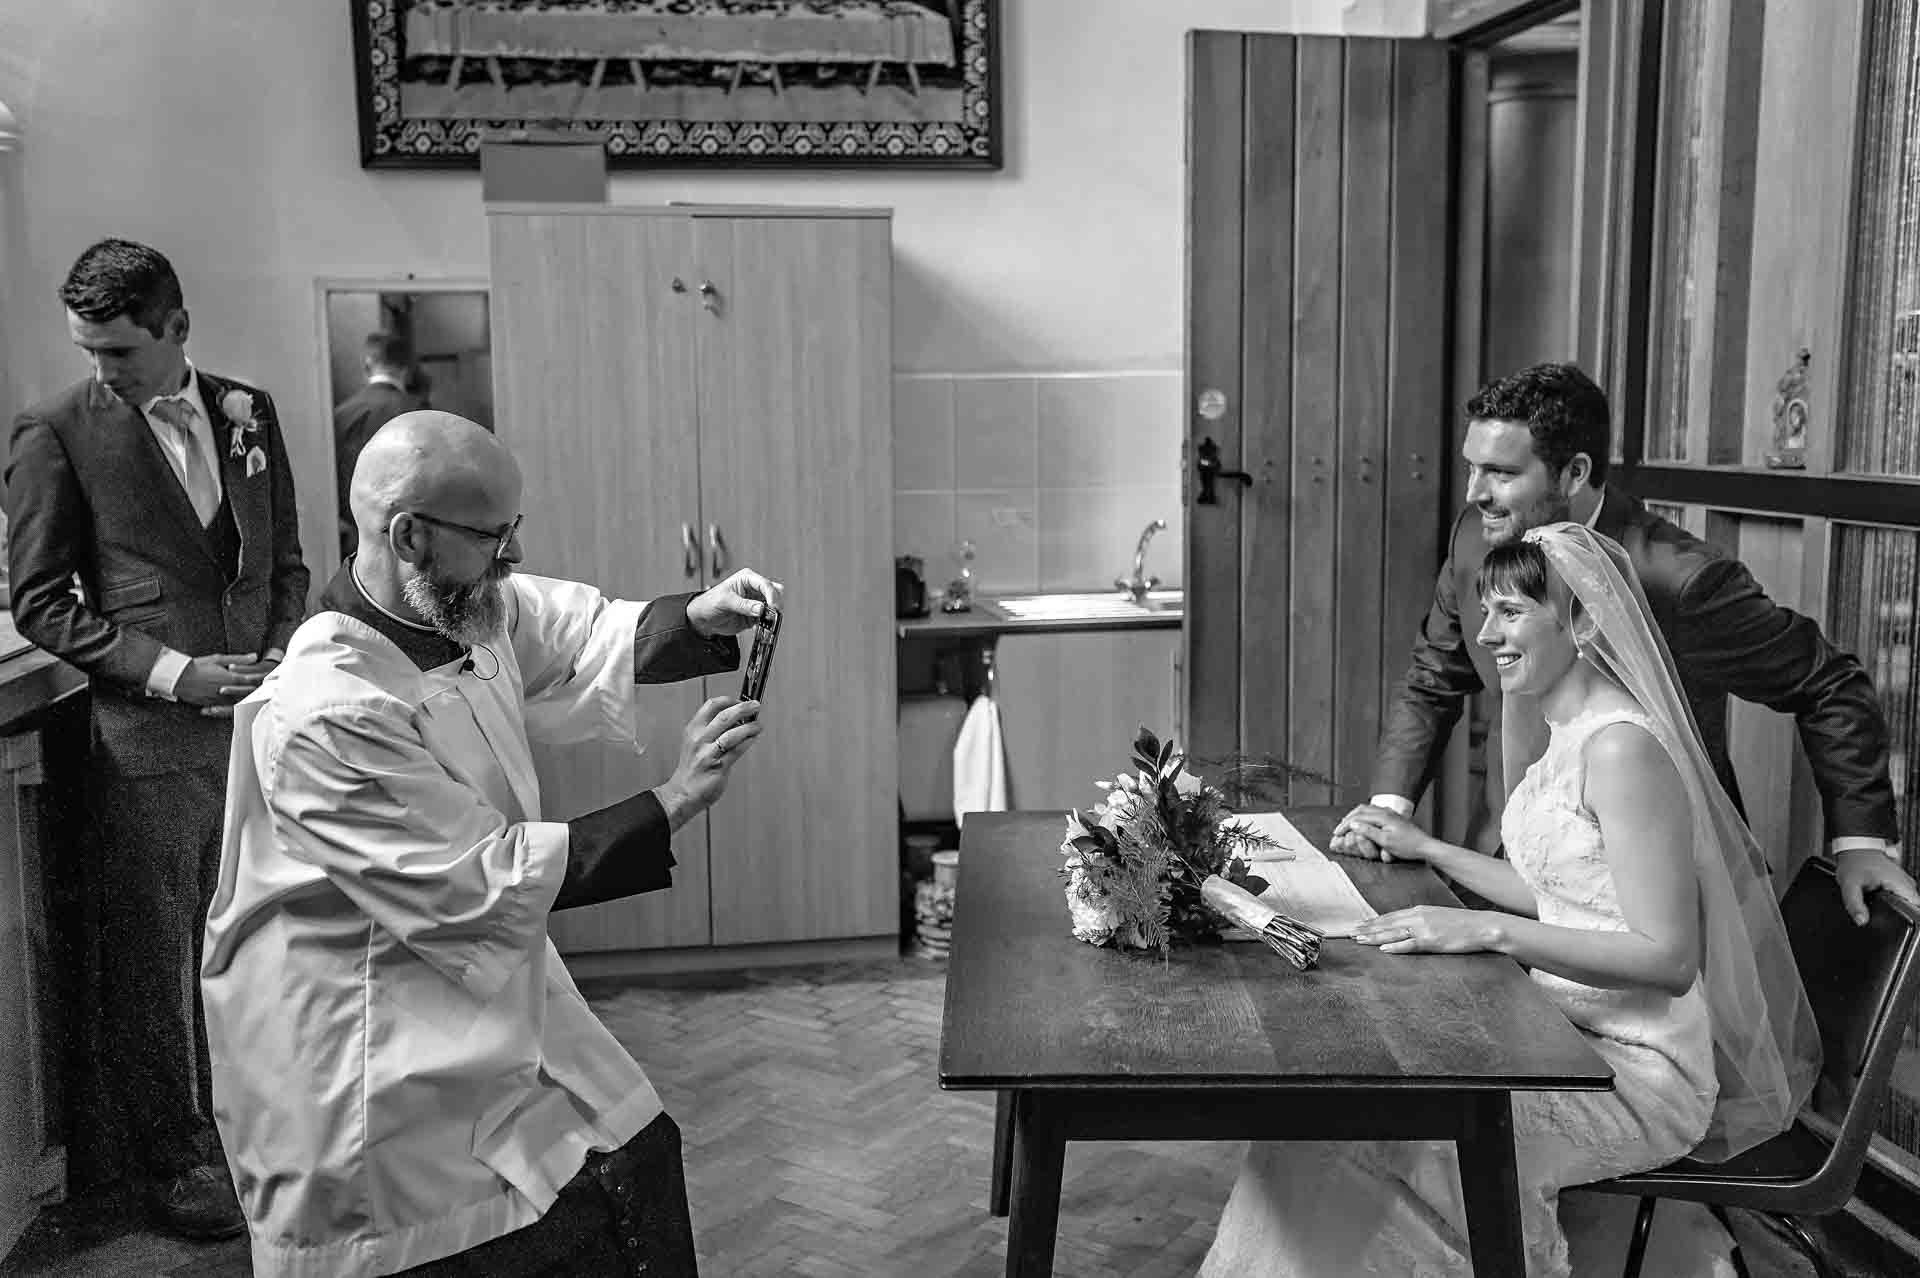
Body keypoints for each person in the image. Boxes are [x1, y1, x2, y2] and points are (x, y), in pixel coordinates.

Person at [201, 411, 774, 1277]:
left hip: (473, 987)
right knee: (475, 1239)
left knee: (640, 1155)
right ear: (409, 537)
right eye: (493, 537)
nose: (511, 558)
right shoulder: (326, 711)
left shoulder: (465, 609)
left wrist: (701, 614)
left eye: (516, 532)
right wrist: (677, 796)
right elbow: (478, 879)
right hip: (370, 1059)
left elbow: (584, 633)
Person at [1202, 523, 1821, 1276]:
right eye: (1485, 610)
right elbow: (1566, 891)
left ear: (1583, 620)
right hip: (1552, 1036)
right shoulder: (1565, 732)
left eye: (1513, 611)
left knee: (1416, 1134)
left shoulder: (1623, 750)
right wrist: (1427, 849)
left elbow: (1667, 956)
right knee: (1320, 1120)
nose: (1488, 633)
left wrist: (1489, 932)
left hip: (1636, 1070)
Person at [1338, 361, 1918, 925]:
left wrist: (1861, 841)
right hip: (1503, 864)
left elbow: (1829, 682)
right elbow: (1433, 674)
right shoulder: (1476, 539)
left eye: (1502, 473)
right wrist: (1387, 813)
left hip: (1657, 897)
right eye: (1472, 468)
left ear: (1575, 472)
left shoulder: (1683, 580)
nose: (1475, 493)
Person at [4, 237, 309, 1239]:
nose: (102, 371)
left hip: (261, 727)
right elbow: (45, 604)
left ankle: (260, 1126)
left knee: (261, 931)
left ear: (177, 328)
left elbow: (286, 563)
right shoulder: (54, 431)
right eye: (89, 351)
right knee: (159, 957)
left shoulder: (249, 410)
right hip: (145, 740)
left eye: (120, 352)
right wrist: (177, 675)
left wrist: (277, 657)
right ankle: (179, 1163)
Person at [333, 330, 425, 558]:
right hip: (409, 534)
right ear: (408, 369)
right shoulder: (418, 411)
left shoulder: (340, 415)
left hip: (354, 534)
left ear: (367, 365)